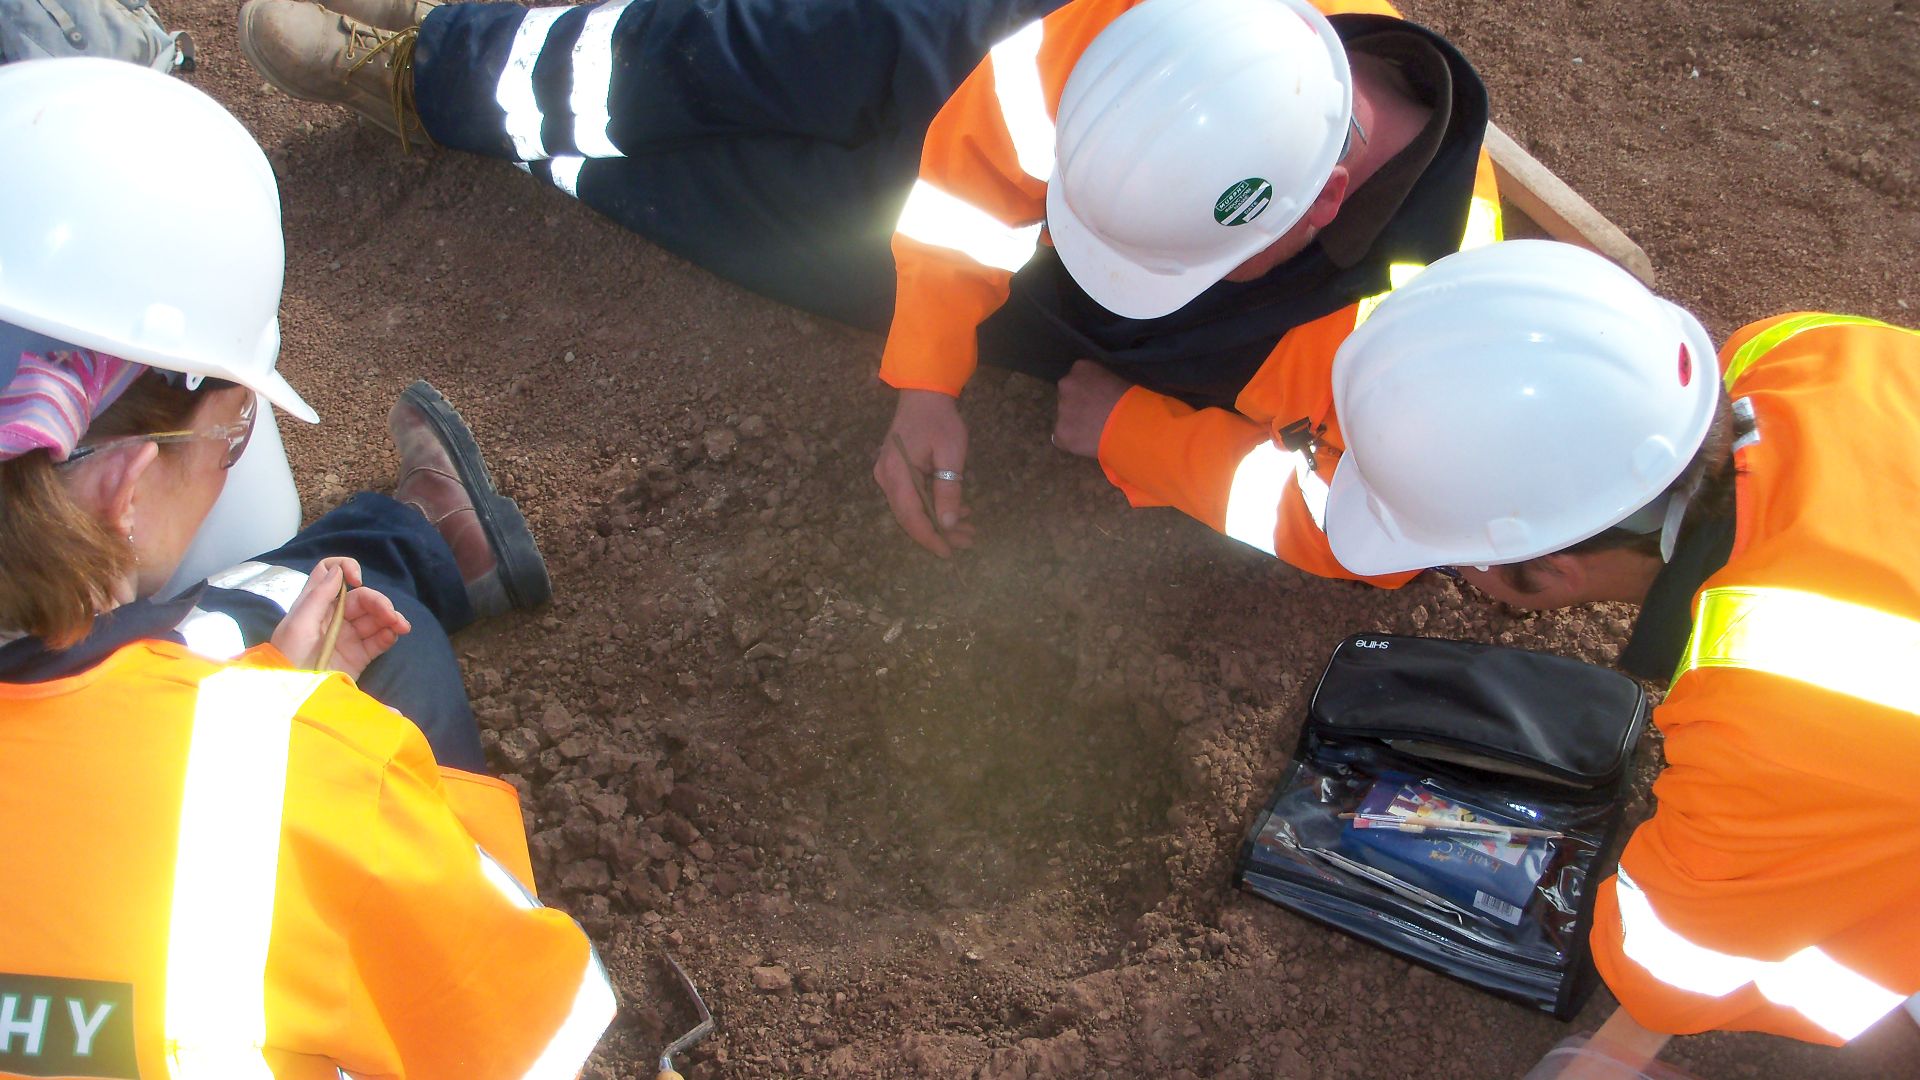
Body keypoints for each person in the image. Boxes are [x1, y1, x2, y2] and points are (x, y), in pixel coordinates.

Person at [237, 0, 1502, 561]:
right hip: (963, 31)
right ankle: (450, 63)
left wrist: (1147, 438)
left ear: (1320, 207)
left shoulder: (1405, 358)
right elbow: (976, 173)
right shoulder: (1159, 41)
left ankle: (537, 131)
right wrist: (925, 373)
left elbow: (1361, 531)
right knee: (725, 55)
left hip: (1068, 320)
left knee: (749, 221)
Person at [0, 58, 613, 1077]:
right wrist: (297, 742)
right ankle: (421, 532)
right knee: (375, 616)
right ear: (126, 486)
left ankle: (420, 528)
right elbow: (531, 1040)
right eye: (234, 430)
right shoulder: (310, 767)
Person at [1322, 239, 1920, 1060]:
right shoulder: (1798, 349)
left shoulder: (1767, 723)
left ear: (1554, 568)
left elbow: (1660, 973)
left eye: (1456, 558)